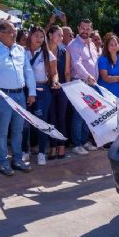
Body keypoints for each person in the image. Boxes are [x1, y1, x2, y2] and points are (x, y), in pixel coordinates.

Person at [0, 20, 36, 175]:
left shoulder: (20, 50)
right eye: (11, 31)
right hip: (3, 95)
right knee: (2, 131)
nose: (14, 33)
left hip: (20, 95)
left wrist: (31, 92)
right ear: (1, 33)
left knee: (18, 130)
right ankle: (3, 162)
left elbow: (28, 71)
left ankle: (17, 159)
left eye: (15, 30)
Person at [25, 26, 58, 165]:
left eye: (41, 36)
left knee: (41, 122)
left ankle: (41, 153)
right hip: (25, 90)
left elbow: (54, 73)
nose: (39, 39)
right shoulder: (22, 52)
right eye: (36, 35)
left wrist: (55, 81)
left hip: (42, 90)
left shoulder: (47, 54)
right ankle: (24, 151)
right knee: (25, 123)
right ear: (30, 36)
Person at [67, 19, 99, 155]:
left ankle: (85, 141)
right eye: (83, 28)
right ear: (78, 28)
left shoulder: (91, 44)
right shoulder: (74, 45)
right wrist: (88, 77)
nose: (85, 31)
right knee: (79, 115)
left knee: (89, 114)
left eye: (88, 28)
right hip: (80, 83)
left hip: (91, 84)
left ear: (91, 30)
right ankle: (76, 144)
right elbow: (77, 64)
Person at [47, 25, 71, 160]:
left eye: (62, 35)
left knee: (61, 117)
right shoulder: (44, 50)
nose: (61, 38)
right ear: (50, 35)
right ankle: (52, 147)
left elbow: (67, 72)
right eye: (58, 35)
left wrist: (66, 87)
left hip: (61, 88)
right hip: (46, 88)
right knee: (51, 118)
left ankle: (61, 146)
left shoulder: (65, 51)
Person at [97, 33, 119, 100]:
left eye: (116, 44)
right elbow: (105, 78)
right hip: (105, 93)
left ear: (118, 46)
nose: (114, 47)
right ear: (107, 46)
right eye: (111, 45)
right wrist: (118, 78)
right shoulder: (102, 59)